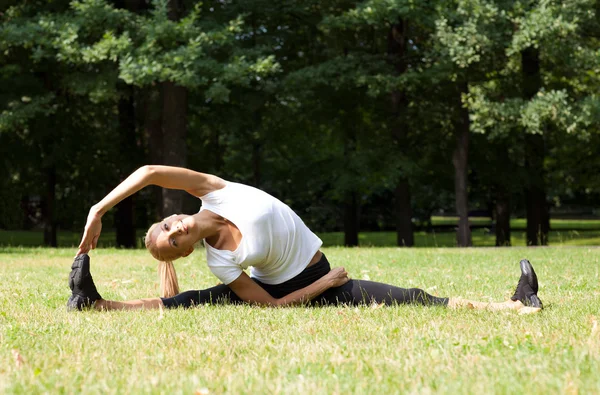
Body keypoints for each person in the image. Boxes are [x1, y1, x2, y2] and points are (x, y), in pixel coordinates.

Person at [67, 165, 543, 313]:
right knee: (202, 298)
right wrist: (324, 285)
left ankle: (519, 304)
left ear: (175, 214)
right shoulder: (218, 262)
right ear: (184, 251)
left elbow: (149, 172)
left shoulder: (216, 191)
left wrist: (97, 209)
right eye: (171, 243)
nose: (174, 233)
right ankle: (97, 305)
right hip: (300, 287)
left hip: (317, 276)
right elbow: (272, 306)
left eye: (168, 227)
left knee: (416, 298)